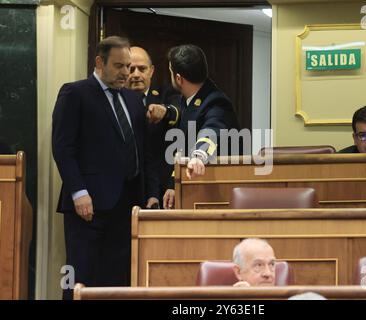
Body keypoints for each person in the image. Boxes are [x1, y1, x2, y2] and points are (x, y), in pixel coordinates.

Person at [52, 36, 157, 299]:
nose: (127, 73)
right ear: (100, 62)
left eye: (129, 66)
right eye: (119, 66)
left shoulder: (133, 100)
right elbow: (63, 148)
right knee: (80, 276)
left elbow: (144, 152)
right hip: (88, 206)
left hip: (127, 205)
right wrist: (78, 192)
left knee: (117, 278)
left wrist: (151, 193)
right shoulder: (75, 93)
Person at [148, 44, 241, 209]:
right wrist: (173, 184)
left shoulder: (216, 101)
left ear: (178, 78)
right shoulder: (188, 98)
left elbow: (213, 130)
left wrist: (199, 155)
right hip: (190, 185)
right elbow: (182, 146)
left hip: (213, 192)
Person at [125, 46, 180, 208]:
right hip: (127, 191)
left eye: (142, 69)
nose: (136, 74)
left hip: (163, 190)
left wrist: (165, 111)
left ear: (151, 71)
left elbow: (178, 110)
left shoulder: (166, 94)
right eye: (130, 68)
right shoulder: (116, 101)